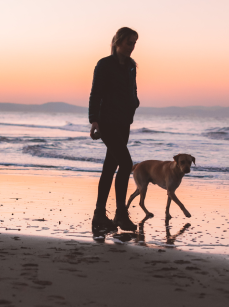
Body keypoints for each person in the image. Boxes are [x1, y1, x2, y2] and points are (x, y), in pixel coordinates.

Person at [89, 27, 140, 232]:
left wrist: (134, 102)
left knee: (110, 168)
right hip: (107, 122)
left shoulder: (131, 66)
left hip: (124, 123)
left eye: (135, 43)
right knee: (126, 164)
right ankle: (120, 214)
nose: (132, 47)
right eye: (129, 42)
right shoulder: (104, 64)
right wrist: (94, 120)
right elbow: (96, 93)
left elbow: (132, 89)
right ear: (118, 42)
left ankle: (99, 216)